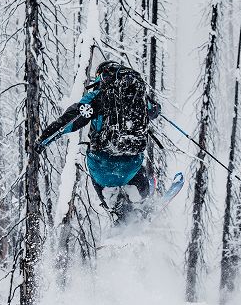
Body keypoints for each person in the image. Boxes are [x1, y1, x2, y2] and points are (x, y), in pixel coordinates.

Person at [35, 60, 161, 222]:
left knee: (99, 170)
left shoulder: (96, 98)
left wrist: (42, 141)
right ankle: (140, 196)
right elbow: (155, 111)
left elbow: (68, 122)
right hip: (131, 164)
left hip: (102, 167)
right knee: (137, 170)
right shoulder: (137, 95)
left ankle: (114, 208)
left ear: (101, 77)